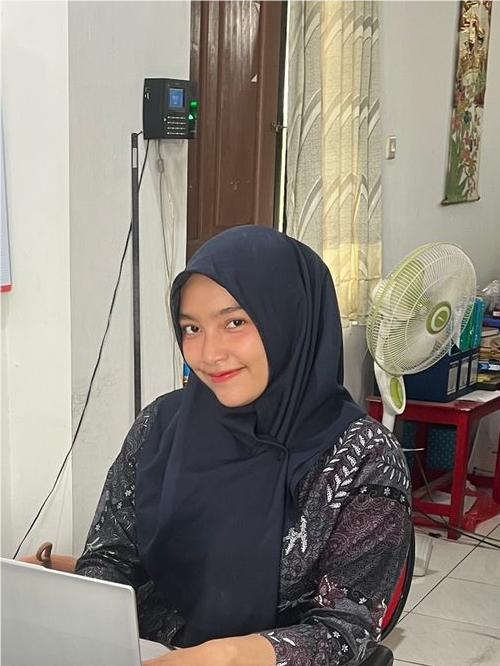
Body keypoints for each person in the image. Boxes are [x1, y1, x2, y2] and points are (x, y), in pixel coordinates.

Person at [75, 225, 412, 665]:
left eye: (234, 322)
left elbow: (345, 632)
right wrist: (91, 632)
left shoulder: (363, 457)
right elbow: (108, 556)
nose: (208, 354)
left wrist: (227, 656)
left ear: (291, 320)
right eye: (191, 328)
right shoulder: (161, 425)